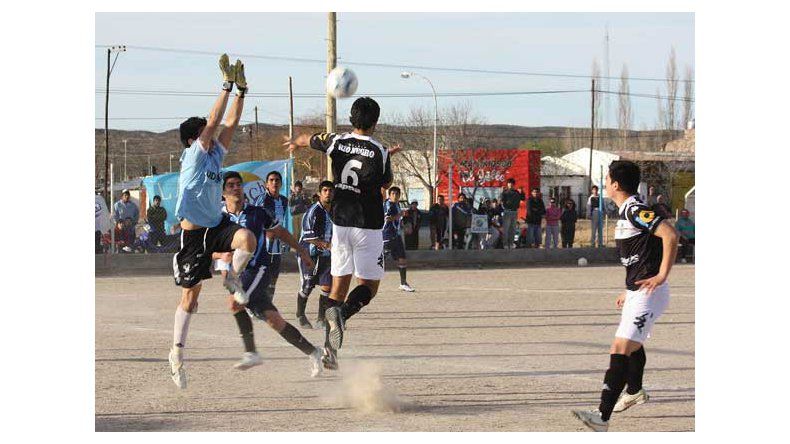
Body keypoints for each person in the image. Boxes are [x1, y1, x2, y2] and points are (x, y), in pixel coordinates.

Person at [285, 96, 398, 370]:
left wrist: (295, 143)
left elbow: (309, 138)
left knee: (337, 288)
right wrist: (384, 158)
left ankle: (329, 352)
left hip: (340, 224)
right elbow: (387, 182)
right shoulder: (380, 150)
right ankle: (342, 315)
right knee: (369, 287)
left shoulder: (335, 140)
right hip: (367, 226)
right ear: (376, 121)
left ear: (351, 118)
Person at [168, 55, 258, 389]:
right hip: (193, 237)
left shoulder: (214, 155)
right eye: (205, 133)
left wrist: (242, 92)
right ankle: (176, 354)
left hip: (216, 226)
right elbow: (215, 120)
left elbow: (229, 123)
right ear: (193, 140)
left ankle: (231, 275)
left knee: (247, 239)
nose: (213, 135)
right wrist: (225, 85)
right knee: (190, 300)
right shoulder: (192, 157)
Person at [571, 160, 679, 432]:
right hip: (637, 292)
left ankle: (602, 417)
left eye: (606, 179)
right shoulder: (628, 211)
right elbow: (643, 253)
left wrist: (661, 275)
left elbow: (669, 235)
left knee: (620, 348)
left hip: (649, 294)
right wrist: (629, 288)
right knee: (633, 345)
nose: (605, 183)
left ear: (615, 184)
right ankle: (634, 391)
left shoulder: (634, 209)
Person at [212, 171, 322, 376]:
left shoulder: (257, 213)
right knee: (274, 320)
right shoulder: (217, 218)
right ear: (223, 193)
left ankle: (251, 352)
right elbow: (208, 248)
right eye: (231, 185)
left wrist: (301, 251)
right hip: (233, 274)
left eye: (238, 184)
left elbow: (281, 232)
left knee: (235, 303)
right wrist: (220, 254)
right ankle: (313, 351)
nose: (236, 188)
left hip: (258, 269)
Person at [296, 180, 335, 329]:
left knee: (327, 286)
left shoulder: (334, 211)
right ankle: (300, 315)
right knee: (307, 287)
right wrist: (328, 245)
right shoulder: (313, 211)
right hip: (308, 254)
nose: (328, 193)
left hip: (326, 255)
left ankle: (321, 319)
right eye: (325, 190)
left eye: (330, 190)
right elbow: (308, 237)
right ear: (319, 193)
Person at [257, 171, 290, 303]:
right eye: (271, 180)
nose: (274, 182)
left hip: (277, 243)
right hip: (263, 242)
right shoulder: (262, 199)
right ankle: (254, 304)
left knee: (274, 275)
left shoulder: (284, 200)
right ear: (266, 184)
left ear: (281, 183)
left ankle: (267, 303)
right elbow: (257, 220)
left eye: (277, 180)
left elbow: (281, 221)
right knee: (261, 274)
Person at [383, 187, 416, 292]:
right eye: (393, 194)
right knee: (381, 259)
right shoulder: (388, 205)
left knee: (402, 258)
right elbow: (387, 218)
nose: (395, 196)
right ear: (389, 195)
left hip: (396, 235)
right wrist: (400, 215)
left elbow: (397, 220)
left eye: (397, 194)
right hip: (387, 236)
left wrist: (404, 226)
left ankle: (403, 283)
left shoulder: (397, 204)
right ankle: (368, 279)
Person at [499, 179, 525, 249]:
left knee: (513, 229)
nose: (510, 184)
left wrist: (522, 192)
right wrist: (501, 193)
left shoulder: (516, 192)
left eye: (511, 183)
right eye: (509, 183)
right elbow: (500, 200)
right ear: (507, 184)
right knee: (506, 229)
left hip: (515, 211)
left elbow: (523, 198)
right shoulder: (505, 192)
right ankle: (505, 244)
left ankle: (511, 243)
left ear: (514, 184)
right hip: (507, 211)